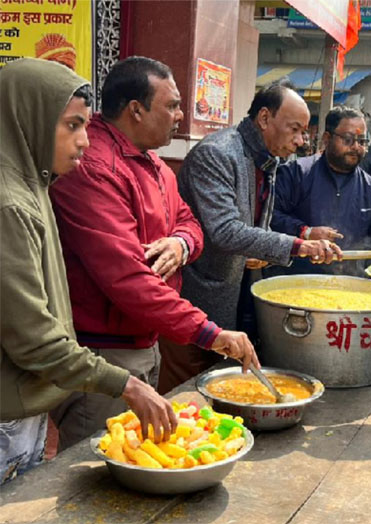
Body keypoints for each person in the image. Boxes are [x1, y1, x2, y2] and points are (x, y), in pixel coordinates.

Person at [47, 56, 258, 450]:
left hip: (145, 338)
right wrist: (210, 333)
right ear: (136, 110)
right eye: (172, 105)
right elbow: (128, 278)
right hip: (103, 351)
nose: (180, 115)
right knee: (98, 460)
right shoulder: (93, 168)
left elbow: (191, 222)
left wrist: (181, 244)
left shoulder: (154, 165)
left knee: (137, 449)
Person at [1, 58, 178, 481]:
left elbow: (188, 220)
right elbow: (34, 341)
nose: (84, 141)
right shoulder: (9, 204)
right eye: (72, 126)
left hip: (30, 402)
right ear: (30, 119)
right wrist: (126, 384)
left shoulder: (36, 183)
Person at [161, 80, 342, 394]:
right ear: (264, 118)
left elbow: (253, 228)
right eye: (295, 129)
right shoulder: (217, 154)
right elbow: (225, 230)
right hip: (195, 297)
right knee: (186, 393)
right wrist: (299, 244)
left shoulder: (267, 161)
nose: (300, 141)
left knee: (219, 389)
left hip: (235, 295)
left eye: (304, 132)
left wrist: (258, 251)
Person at [270, 106, 371, 277]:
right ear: (327, 138)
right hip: (294, 280)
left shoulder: (370, 189)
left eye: (362, 142)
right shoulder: (296, 173)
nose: (356, 147)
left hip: (347, 286)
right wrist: (305, 231)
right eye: (348, 140)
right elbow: (270, 217)